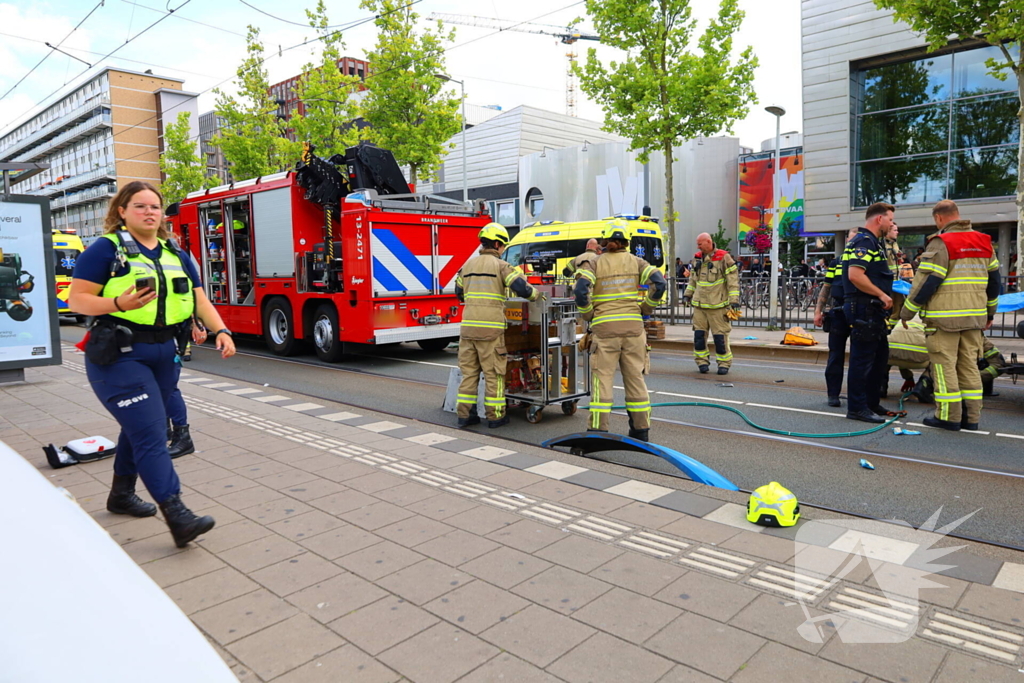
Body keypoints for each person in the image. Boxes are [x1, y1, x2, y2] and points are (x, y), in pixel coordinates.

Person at [68, 181, 236, 548]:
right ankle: (177, 514)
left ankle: (121, 495)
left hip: (164, 355)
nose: (149, 212)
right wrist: (117, 305)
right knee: (151, 432)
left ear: (162, 214)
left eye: (155, 207)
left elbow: (199, 300)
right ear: (122, 211)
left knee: (143, 426)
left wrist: (220, 329)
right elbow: (76, 299)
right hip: (119, 357)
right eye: (139, 206)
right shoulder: (105, 250)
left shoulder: (175, 252)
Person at [899, 200, 1000, 431]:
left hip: (944, 319)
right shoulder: (984, 242)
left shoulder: (941, 242)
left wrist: (907, 312)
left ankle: (948, 417)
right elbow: (994, 283)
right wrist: (990, 313)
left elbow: (926, 282)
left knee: (944, 368)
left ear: (939, 218)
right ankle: (971, 418)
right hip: (974, 318)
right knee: (969, 367)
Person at [575, 222, 666, 440]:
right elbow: (660, 283)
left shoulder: (594, 264)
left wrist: (588, 315)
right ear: (627, 241)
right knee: (635, 379)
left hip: (605, 330)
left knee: (602, 381)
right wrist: (644, 309)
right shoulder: (638, 262)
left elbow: (580, 290)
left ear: (604, 241)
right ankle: (640, 430)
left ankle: (598, 430)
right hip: (633, 330)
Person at [454, 222, 541, 429]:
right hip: (490, 330)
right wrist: (538, 296)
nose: (503, 250)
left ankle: (465, 416)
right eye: (503, 246)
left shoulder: (467, 266)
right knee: (494, 375)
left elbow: (459, 293)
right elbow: (522, 289)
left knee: (469, 374)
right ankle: (495, 416)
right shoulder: (501, 266)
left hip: (468, 329)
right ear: (496, 244)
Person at [842, 202, 896, 423]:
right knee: (862, 360)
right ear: (879, 219)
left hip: (872, 310)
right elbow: (855, 275)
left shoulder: (872, 242)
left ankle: (871, 403)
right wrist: (882, 295)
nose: (892, 223)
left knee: (878, 358)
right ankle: (856, 408)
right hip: (865, 308)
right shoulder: (864, 242)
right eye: (890, 219)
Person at [683, 232, 741, 375]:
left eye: (700, 244)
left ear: (708, 242)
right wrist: (687, 295)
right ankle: (702, 362)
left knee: (720, 338)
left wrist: (734, 301)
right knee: (699, 337)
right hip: (700, 306)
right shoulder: (697, 258)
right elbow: (693, 280)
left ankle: (724, 364)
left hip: (718, 306)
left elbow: (733, 281)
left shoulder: (723, 258)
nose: (698, 246)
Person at [814, 227, 859, 407]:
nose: (852, 243)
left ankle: (857, 395)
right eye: (851, 239)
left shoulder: (866, 262)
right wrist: (818, 311)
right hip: (839, 313)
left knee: (858, 357)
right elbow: (827, 287)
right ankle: (833, 394)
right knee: (835, 356)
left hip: (858, 313)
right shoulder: (836, 262)